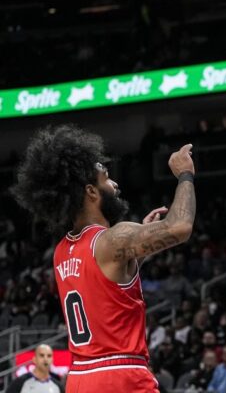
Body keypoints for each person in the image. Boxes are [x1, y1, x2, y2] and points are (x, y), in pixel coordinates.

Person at [12, 125, 197, 392]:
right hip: (121, 375)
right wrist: (185, 175)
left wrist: (140, 248)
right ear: (91, 192)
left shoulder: (62, 251)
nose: (115, 184)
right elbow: (180, 227)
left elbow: (108, 288)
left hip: (79, 378)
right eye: (107, 178)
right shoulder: (111, 239)